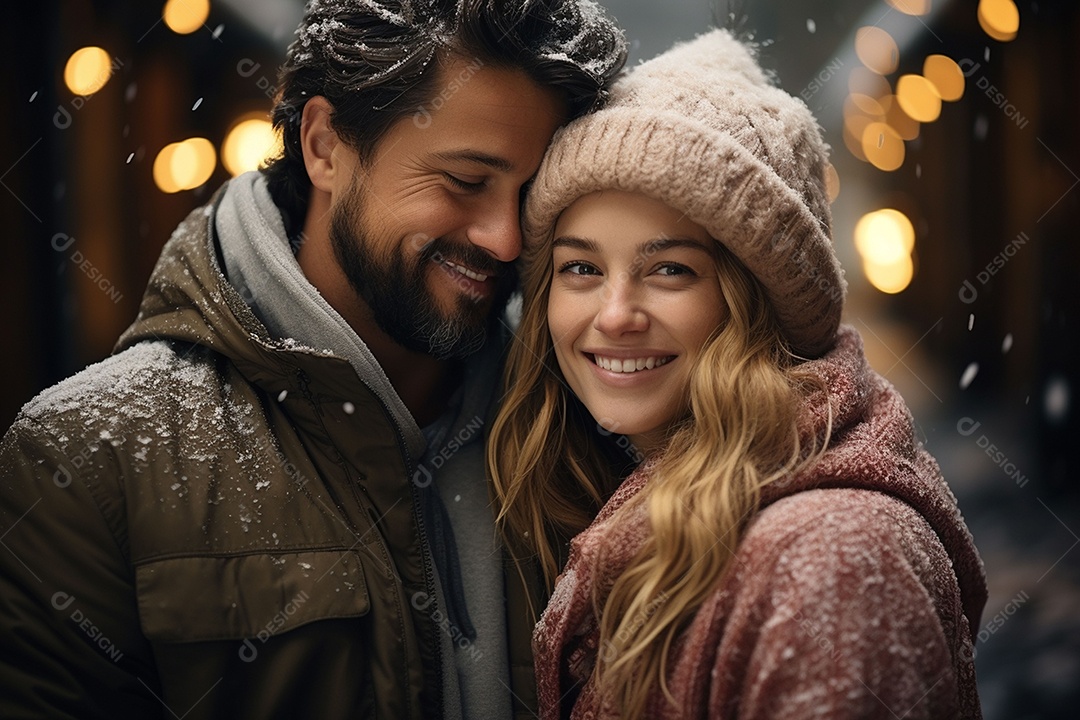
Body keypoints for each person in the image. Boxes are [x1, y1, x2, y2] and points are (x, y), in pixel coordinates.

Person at [0, 1, 625, 718]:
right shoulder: (85, 462)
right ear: (325, 144)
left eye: (532, 195)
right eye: (464, 180)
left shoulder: (594, 426)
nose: (506, 239)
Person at [489, 29, 987, 719]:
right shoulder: (597, 491)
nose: (616, 314)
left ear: (758, 299)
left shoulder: (831, 562)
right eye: (582, 267)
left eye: (670, 269)